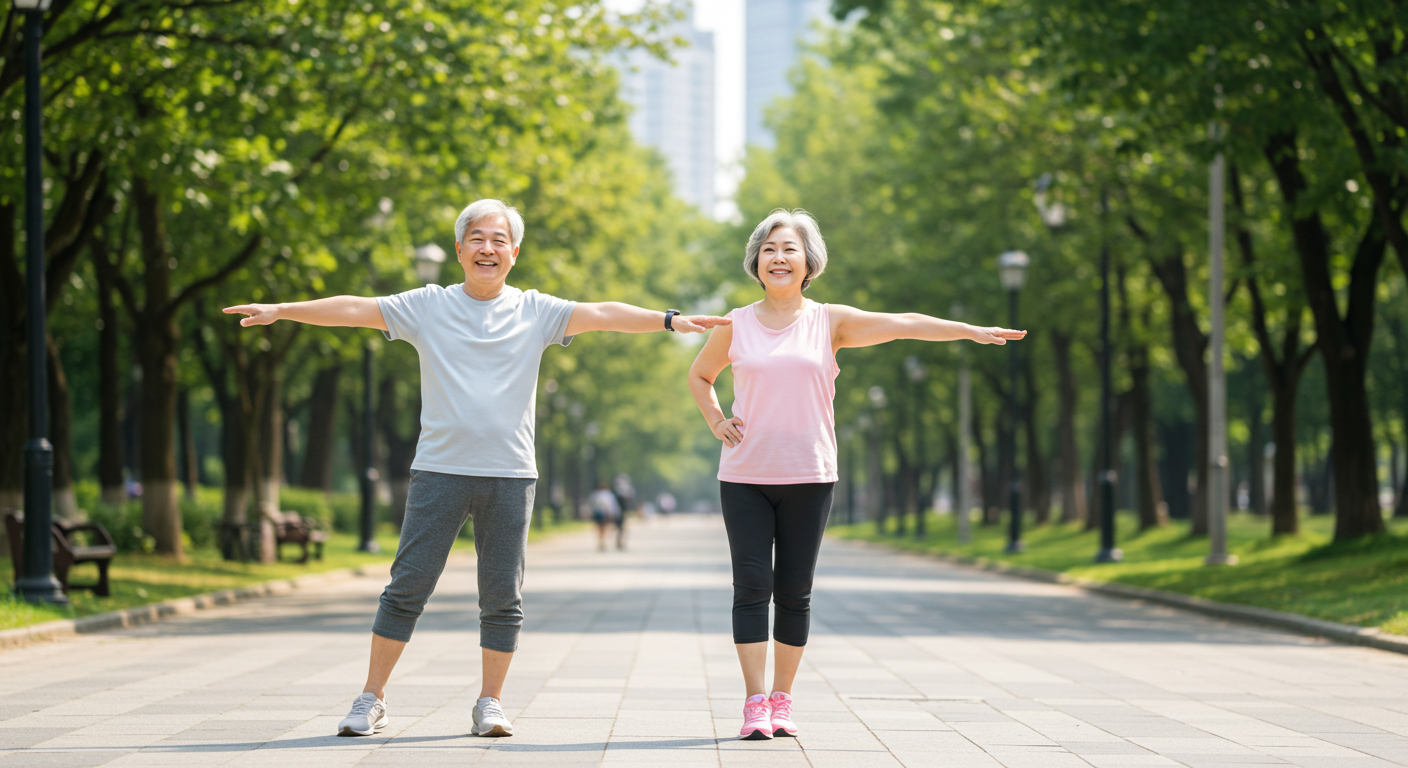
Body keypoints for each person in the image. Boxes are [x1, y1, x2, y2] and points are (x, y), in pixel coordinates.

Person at [225, 199, 728, 740]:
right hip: (439, 470)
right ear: (460, 249)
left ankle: (490, 702)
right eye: (477, 238)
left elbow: (603, 314)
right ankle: (372, 697)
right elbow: (355, 308)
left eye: (499, 239)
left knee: (502, 597)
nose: (488, 248)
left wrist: (668, 320)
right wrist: (283, 309)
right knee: (407, 586)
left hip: (511, 474)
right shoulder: (428, 305)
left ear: (514, 252)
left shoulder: (536, 310)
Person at [687, 209, 1024, 740]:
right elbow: (701, 376)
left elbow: (904, 323)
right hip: (745, 475)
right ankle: (754, 702)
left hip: (810, 474)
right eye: (769, 249)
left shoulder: (830, 322)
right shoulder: (736, 324)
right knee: (751, 587)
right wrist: (716, 421)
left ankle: (782, 699)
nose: (779, 257)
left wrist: (969, 332)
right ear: (756, 261)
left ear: (808, 262)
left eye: (789, 249)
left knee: (794, 591)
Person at [588, 482, 621, 551]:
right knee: (604, 526)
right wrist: (612, 513)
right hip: (605, 512)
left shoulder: (595, 494)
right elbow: (612, 505)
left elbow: (591, 504)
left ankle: (601, 540)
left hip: (597, 512)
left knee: (599, 527)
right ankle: (602, 541)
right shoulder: (609, 494)